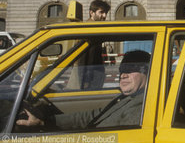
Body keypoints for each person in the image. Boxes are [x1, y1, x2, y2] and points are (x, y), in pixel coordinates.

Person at [17, 50, 151, 129]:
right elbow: (91, 116)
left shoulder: (142, 107)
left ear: (147, 73)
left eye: (131, 69)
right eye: (122, 70)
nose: (123, 75)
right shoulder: (127, 97)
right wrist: (46, 121)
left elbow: (120, 140)